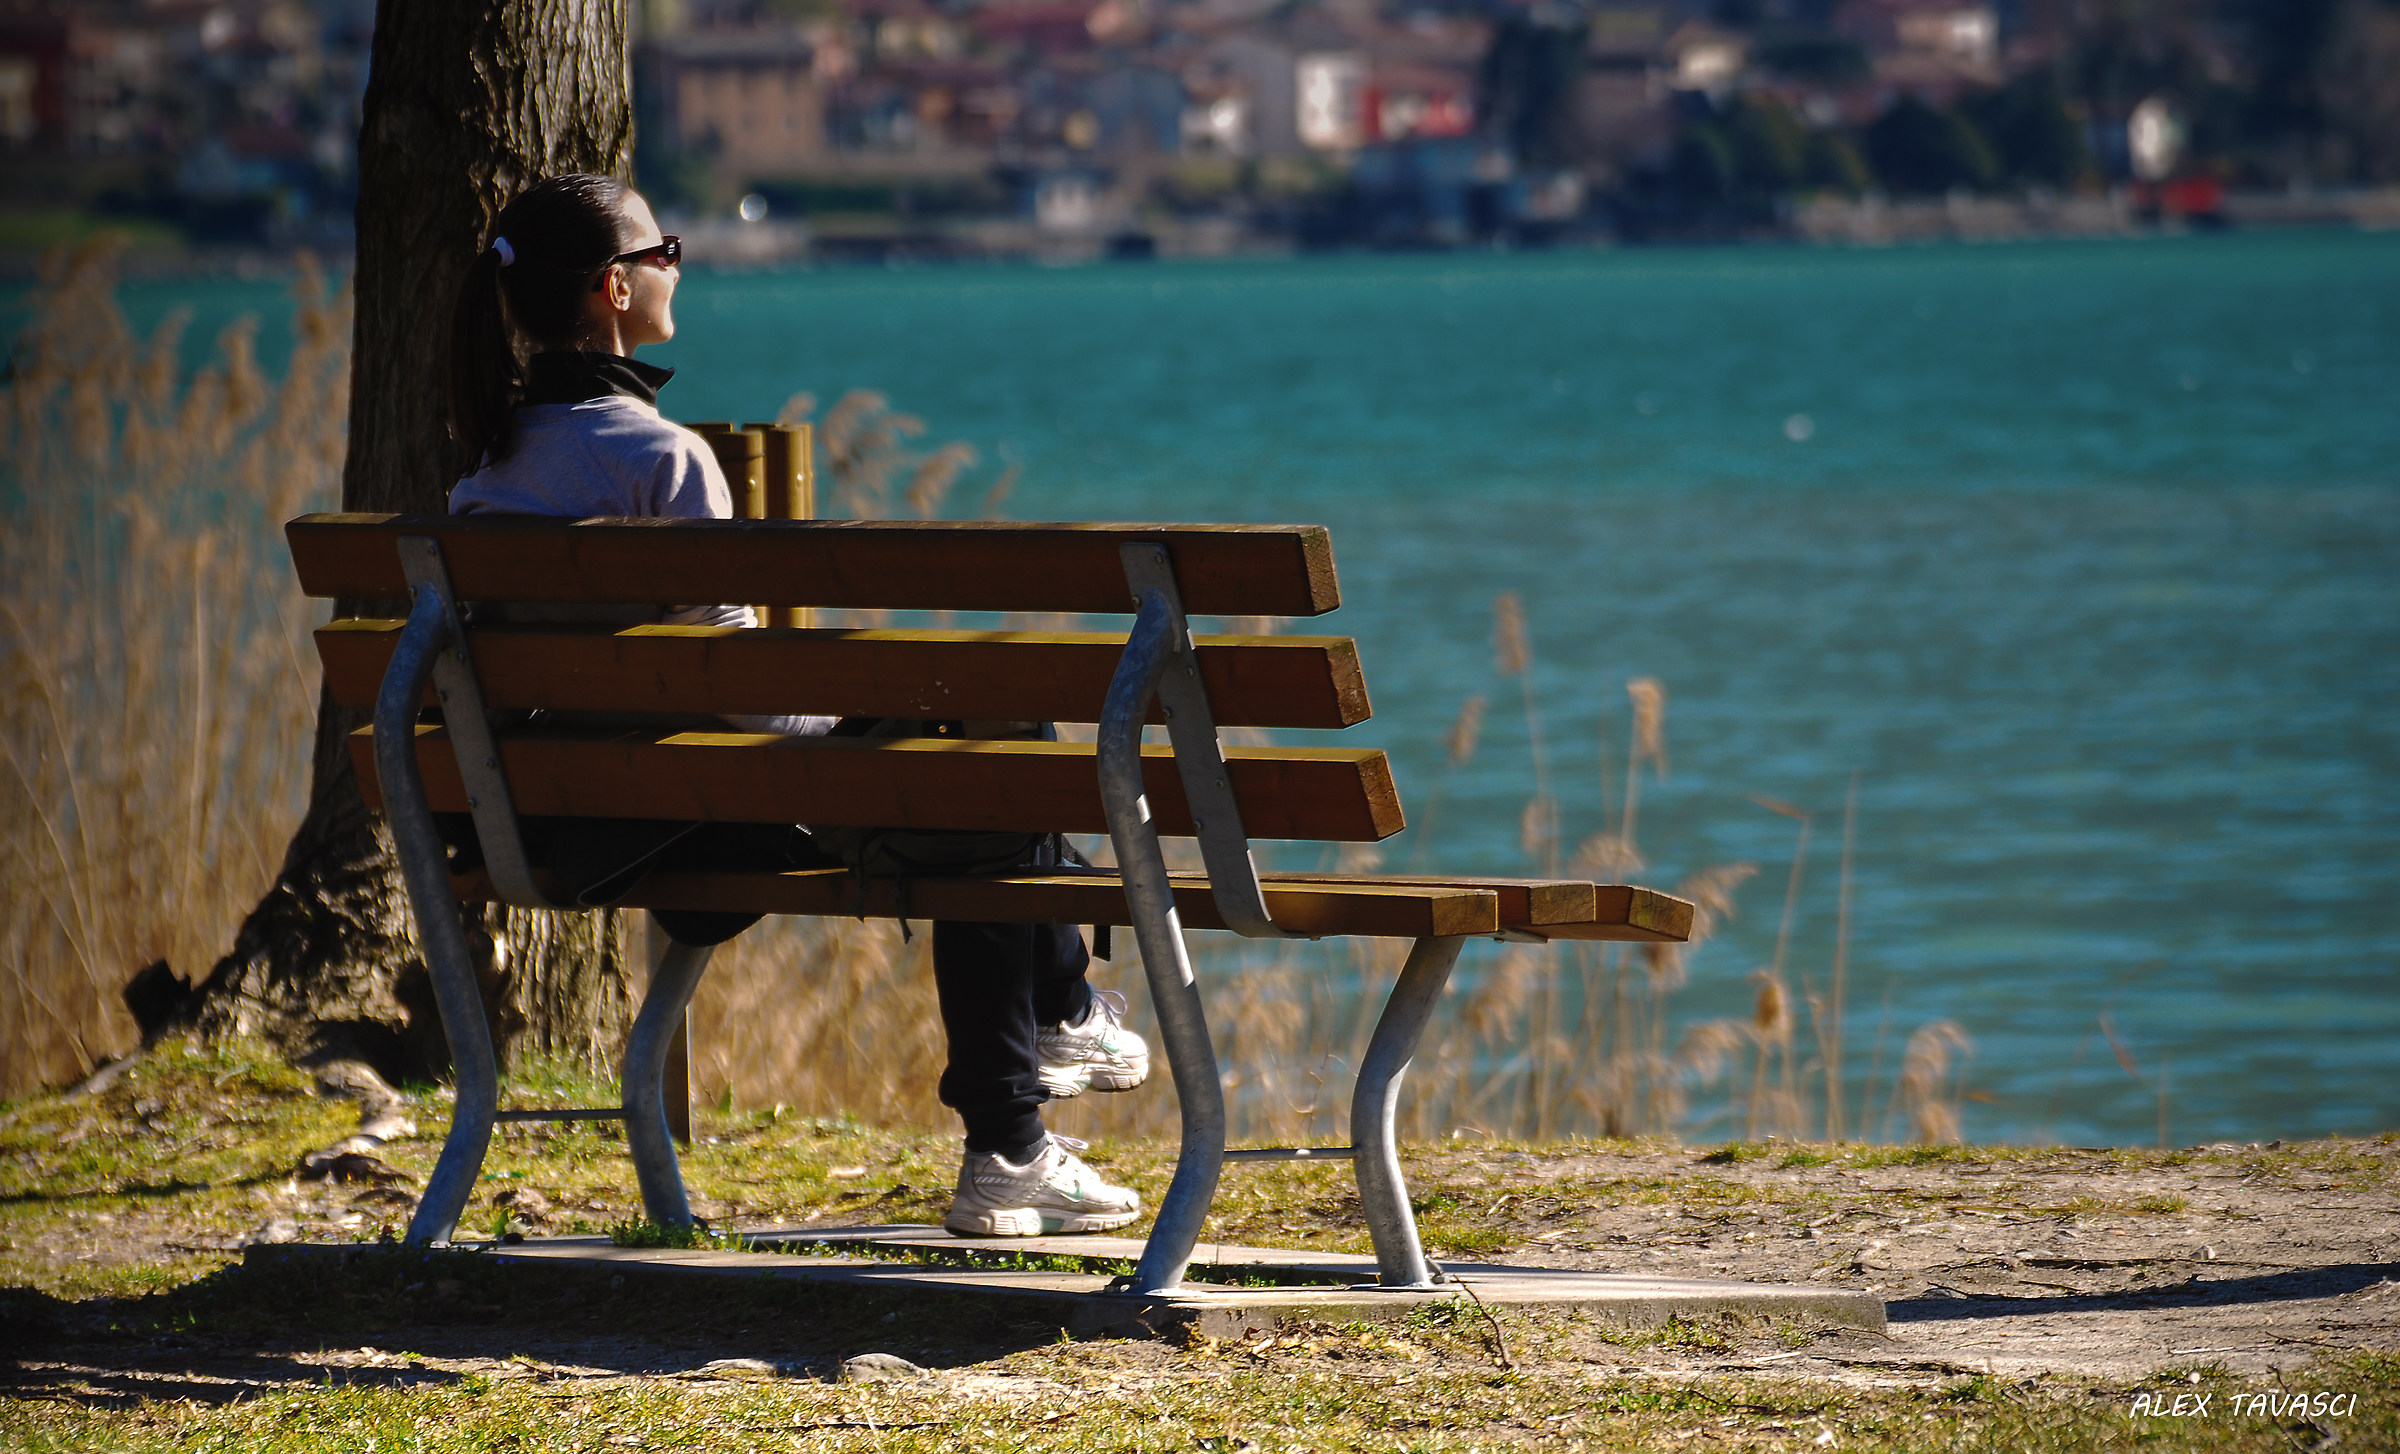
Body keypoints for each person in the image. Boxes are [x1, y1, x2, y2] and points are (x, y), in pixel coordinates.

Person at [443, 173, 1149, 1238]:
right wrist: (853, 731)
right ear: (613, 289)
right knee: (993, 763)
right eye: (662, 252)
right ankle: (1026, 1103)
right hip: (705, 810)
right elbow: (747, 706)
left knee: (983, 763)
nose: (675, 266)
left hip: (573, 825)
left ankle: (1050, 1053)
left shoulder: (484, 478)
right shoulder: (664, 460)